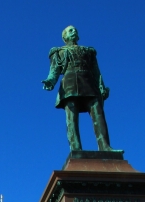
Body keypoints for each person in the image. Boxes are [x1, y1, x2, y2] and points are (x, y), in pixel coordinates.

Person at [42, 25, 121, 153]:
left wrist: (101, 86)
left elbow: (96, 71)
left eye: (75, 30)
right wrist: (50, 81)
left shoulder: (88, 51)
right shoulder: (58, 51)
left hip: (89, 84)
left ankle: (105, 147)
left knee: (98, 115)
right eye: (70, 30)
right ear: (64, 37)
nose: (74, 31)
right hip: (69, 85)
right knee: (71, 119)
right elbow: (54, 70)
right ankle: (76, 149)